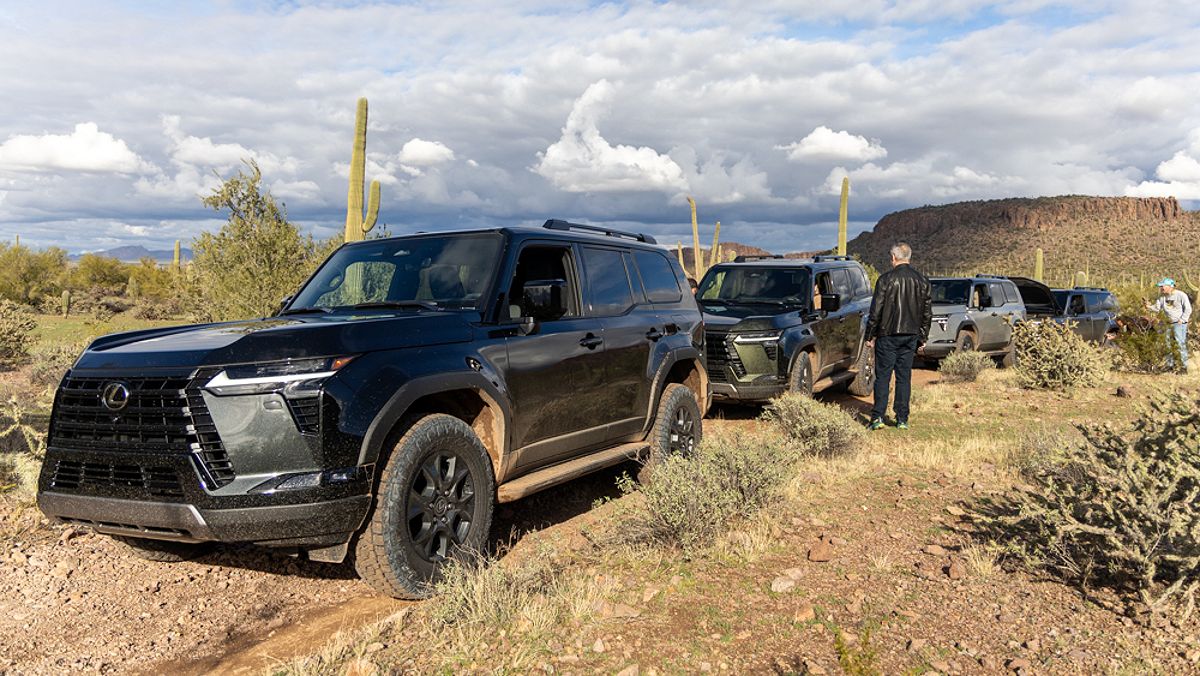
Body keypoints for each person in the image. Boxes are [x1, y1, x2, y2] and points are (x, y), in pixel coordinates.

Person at [863, 243, 932, 430]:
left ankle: (877, 417)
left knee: (883, 377)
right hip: (910, 336)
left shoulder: (885, 280)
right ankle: (902, 419)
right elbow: (927, 312)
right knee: (904, 377)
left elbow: (875, 311)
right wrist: (923, 336)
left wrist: (869, 335)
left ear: (894, 258)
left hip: (887, 335)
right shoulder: (922, 280)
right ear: (909, 257)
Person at [1145, 278, 1192, 372]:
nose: (1161, 288)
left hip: (1179, 324)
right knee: (1167, 344)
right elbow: (1157, 308)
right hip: (1166, 323)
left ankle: (1183, 367)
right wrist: (1148, 307)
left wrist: (1182, 320)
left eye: (1163, 286)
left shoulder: (1181, 295)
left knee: (1180, 344)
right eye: (1160, 286)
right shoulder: (1161, 297)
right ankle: (1169, 365)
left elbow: (1188, 309)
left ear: (1170, 286)